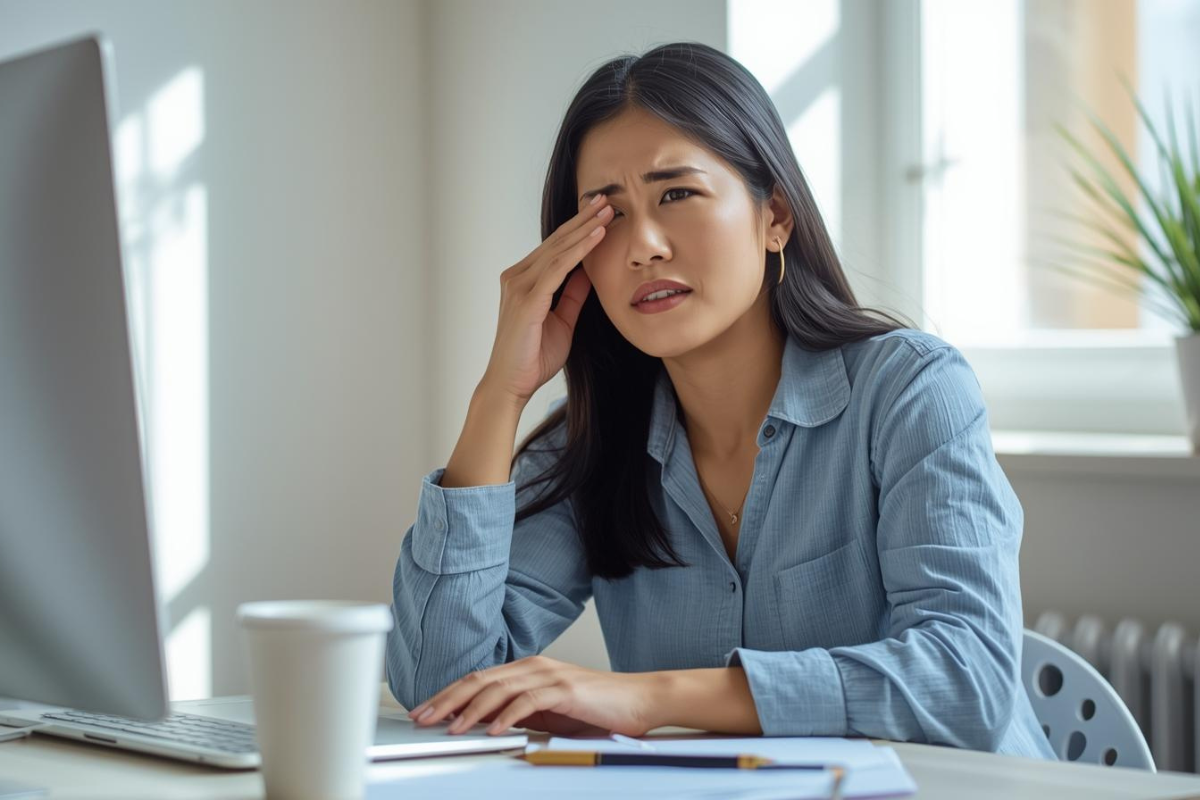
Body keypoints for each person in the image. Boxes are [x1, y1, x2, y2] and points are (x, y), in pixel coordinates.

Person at [385, 40, 1057, 759]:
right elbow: (439, 685)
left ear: (776, 218)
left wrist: (650, 698)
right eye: (605, 218)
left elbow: (969, 679)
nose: (643, 245)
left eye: (677, 194)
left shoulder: (911, 392)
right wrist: (501, 393)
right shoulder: (593, 444)